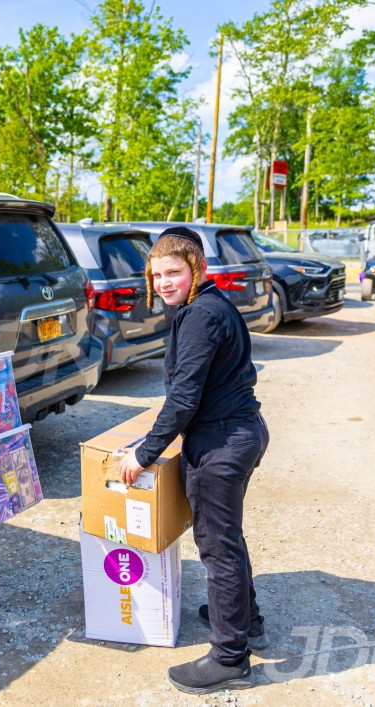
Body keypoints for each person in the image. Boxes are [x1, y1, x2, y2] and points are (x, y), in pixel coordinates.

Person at [117, 227, 270, 695]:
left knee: (217, 549)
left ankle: (230, 658)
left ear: (197, 269)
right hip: (240, 431)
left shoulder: (201, 314)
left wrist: (143, 453)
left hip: (221, 444)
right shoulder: (211, 304)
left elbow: (184, 398)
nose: (164, 282)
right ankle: (247, 619)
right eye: (156, 275)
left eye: (173, 273)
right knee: (227, 536)